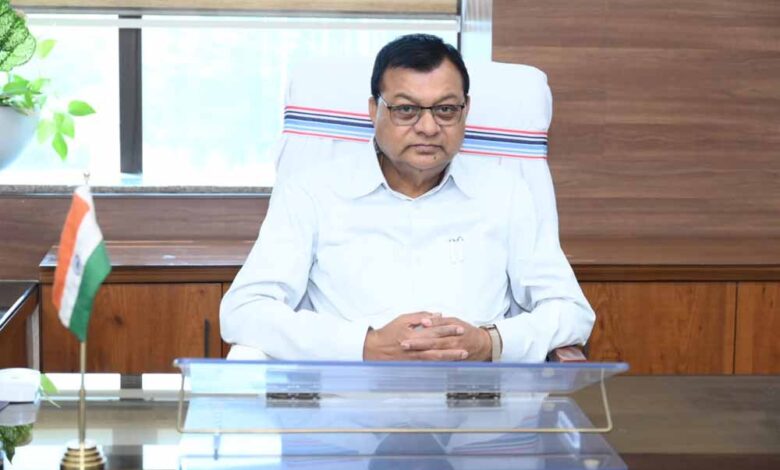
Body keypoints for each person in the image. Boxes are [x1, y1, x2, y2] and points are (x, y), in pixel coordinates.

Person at [220, 34, 594, 362]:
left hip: (474, 406)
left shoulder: (506, 193)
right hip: (348, 407)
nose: (428, 127)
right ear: (374, 111)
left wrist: (490, 342)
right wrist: (365, 345)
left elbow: (572, 312)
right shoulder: (312, 192)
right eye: (406, 110)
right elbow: (243, 311)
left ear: (466, 111)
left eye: (445, 110)